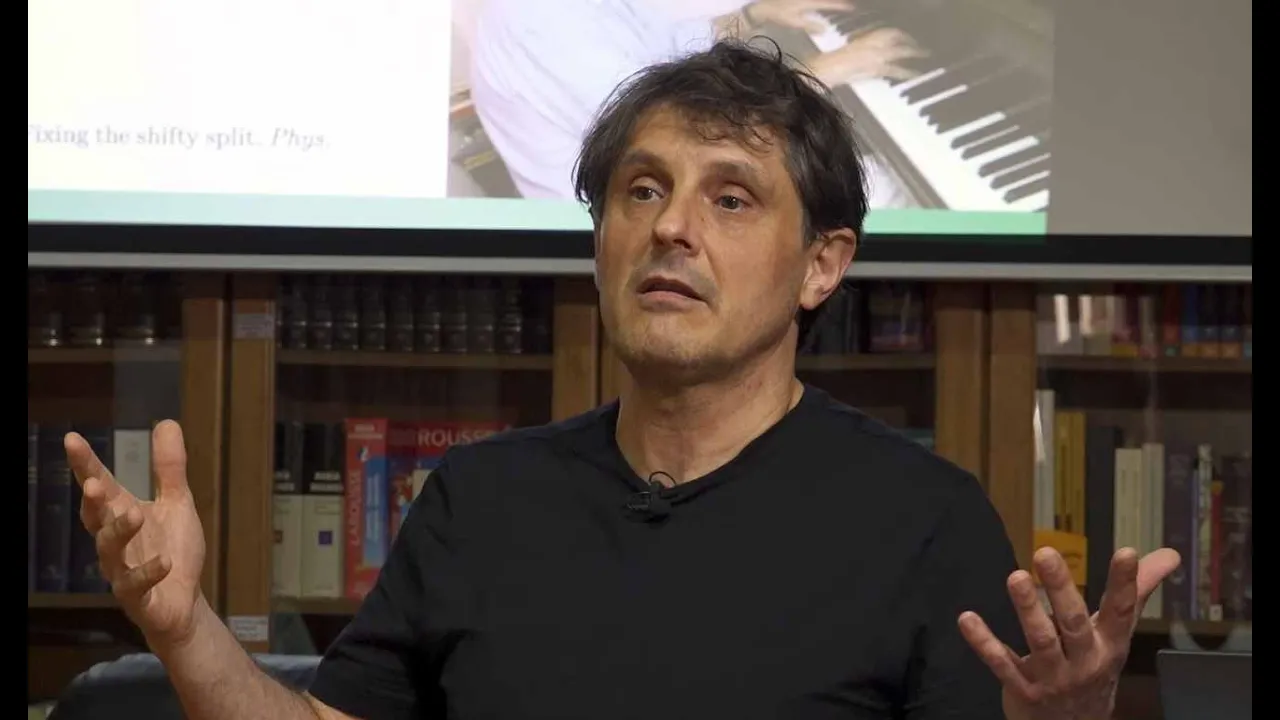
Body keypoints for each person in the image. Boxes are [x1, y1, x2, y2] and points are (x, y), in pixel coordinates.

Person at [64, 39, 1180, 719]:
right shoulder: (479, 501)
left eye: (730, 199)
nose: (671, 228)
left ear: (821, 266)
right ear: (599, 242)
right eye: (641, 191)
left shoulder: (925, 521)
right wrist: (184, 627)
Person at [464, 0, 923, 208]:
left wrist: (755, 15)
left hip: (667, 187)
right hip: (629, 226)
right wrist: (822, 71)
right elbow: (675, 135)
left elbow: (687, 55)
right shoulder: (538, 19)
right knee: (887, 194)